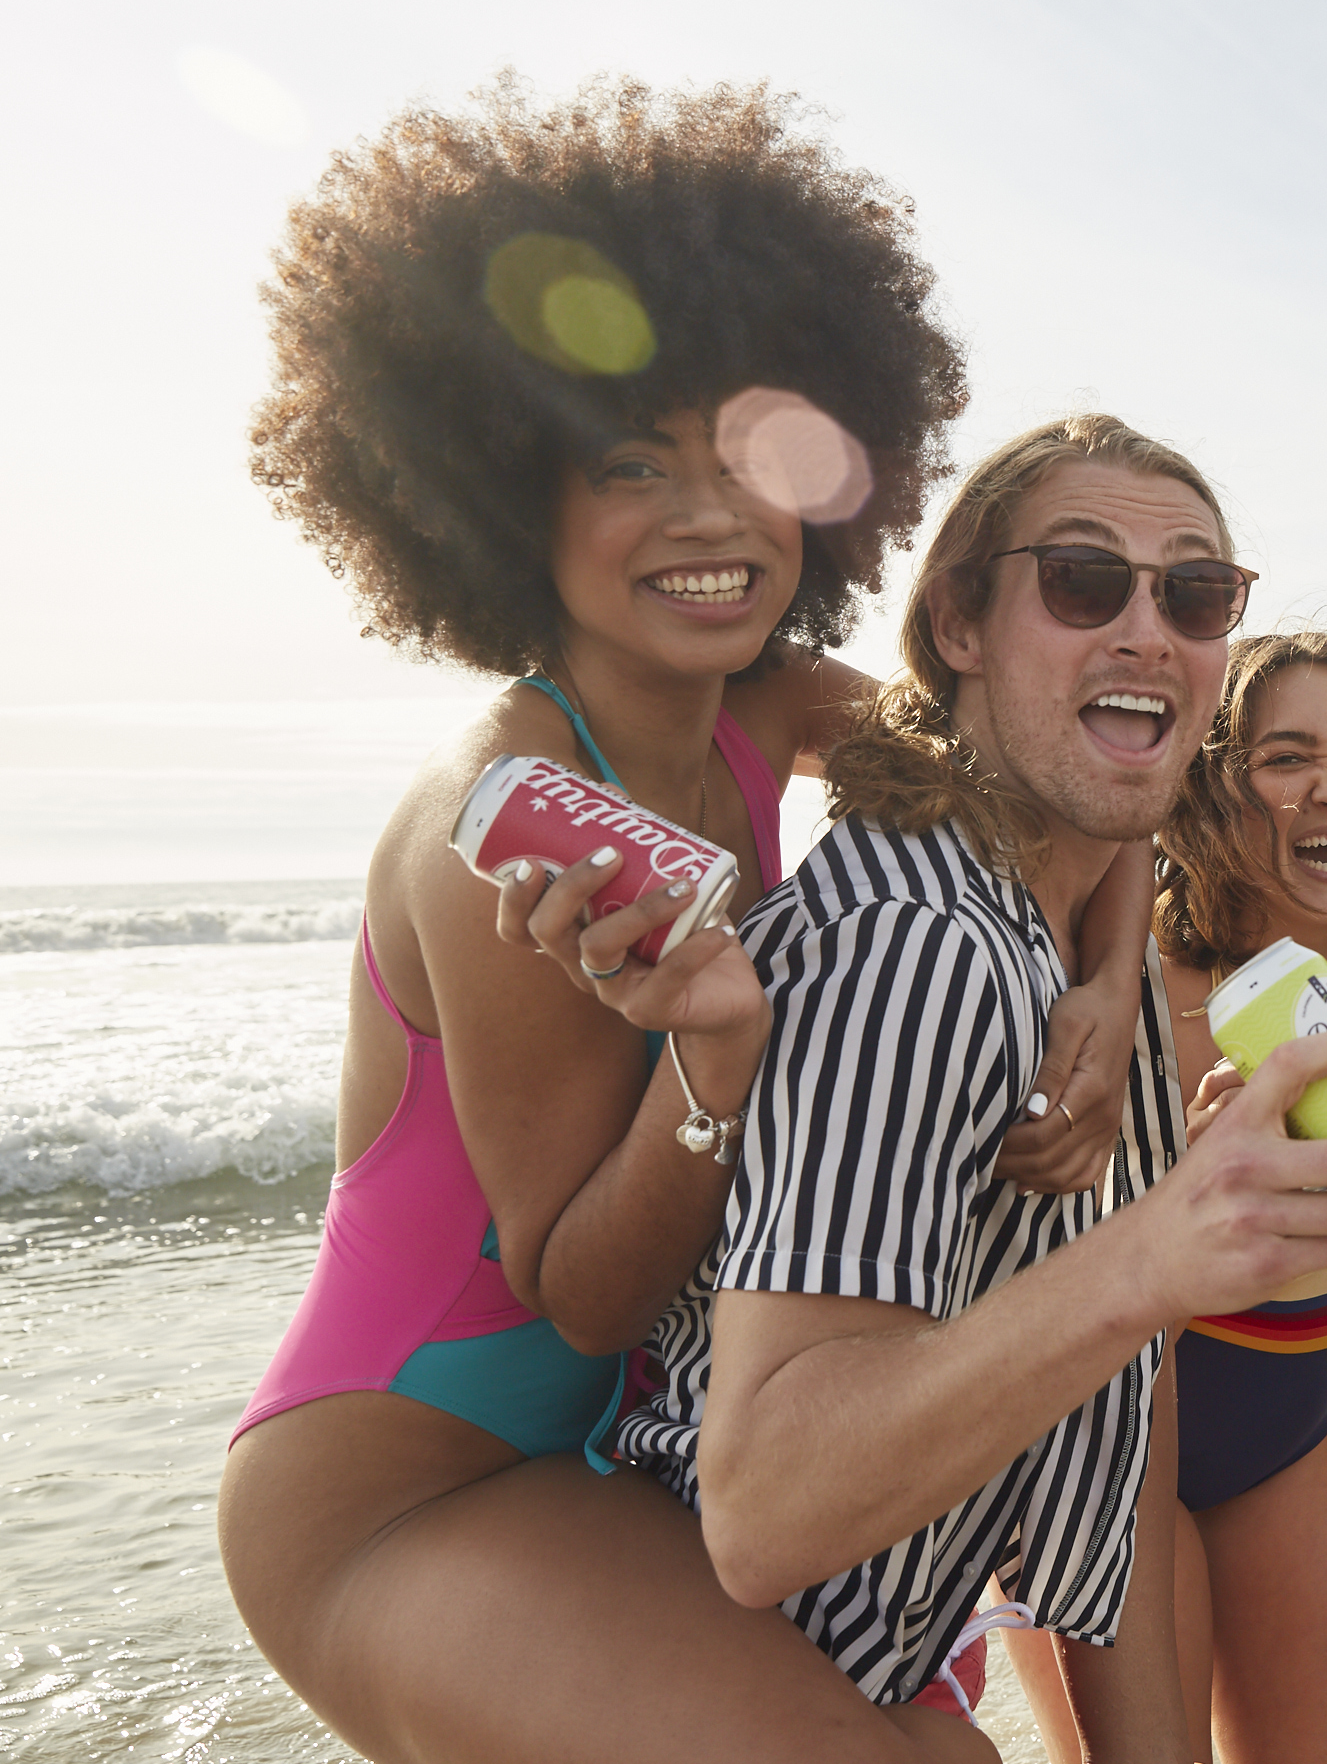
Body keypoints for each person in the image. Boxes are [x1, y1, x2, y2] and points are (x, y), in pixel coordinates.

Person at [209, 79, 1105, 1763]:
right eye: (632, 463)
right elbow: (580, 1295)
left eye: (748, 460)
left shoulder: (765, 710)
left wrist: (1110, 991)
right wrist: (722, 1056)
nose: (711, 516)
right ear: (495, 501)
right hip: (397, 1491)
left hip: (627, 1457)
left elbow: (1039, 776)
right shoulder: (505, 817)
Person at [609, 415, 1327, 1756]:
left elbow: (1103, 1422)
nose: (1145, 630)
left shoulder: (1053, 943)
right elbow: (760, 1513)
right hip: (723, 1675)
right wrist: (1152, 1259)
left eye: (1191, 595)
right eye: (1080, 582)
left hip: (885, 1666)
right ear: (957, 624)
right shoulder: (924, 947)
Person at [1012, 630, 1327, 1762]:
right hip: (1101, 1453)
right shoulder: (1112, 981)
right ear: (1208, 783)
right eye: (1285, 757)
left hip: (1292, 1438)